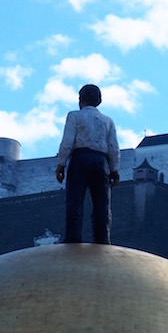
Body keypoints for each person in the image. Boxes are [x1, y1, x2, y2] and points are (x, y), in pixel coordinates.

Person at [56, 84, 120, 244]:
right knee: (101, 204)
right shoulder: (108, 121)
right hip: (101, 162)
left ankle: (73, 237)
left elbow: (67, 142)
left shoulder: (74, 116)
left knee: (75, 200)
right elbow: (113, 147)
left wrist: (61, 164)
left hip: (80, 159)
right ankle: (102, 238)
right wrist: (114, 169)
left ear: (80, 99)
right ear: (99, 101)